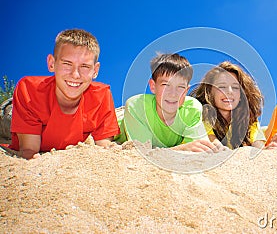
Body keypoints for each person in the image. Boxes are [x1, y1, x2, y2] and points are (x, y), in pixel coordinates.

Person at [8, 29, 120, 159]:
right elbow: (29, 151)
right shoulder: (29, 91)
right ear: (51, 63)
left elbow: (104, 145)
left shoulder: (102, 95)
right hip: (15, 112)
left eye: (84, 66)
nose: (75, 75)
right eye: (67, 64)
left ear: (95, 70)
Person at [116, 53, 220, 152]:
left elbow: (199, 147)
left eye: (180, 87)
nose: (173, 94)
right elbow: (142, 153)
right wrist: (182, 149)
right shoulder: (136, 107)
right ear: (153, 86)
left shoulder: (192, 109)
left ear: (186, 90)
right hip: (119, 127)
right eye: (165, 85)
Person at [190, 61, 277, 149]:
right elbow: (214, 143)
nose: (229, 92)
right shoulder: (201, 114)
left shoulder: (249, 119)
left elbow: (258, 146)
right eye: (222, 86)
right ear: (209, 91)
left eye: (235, 87)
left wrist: (275, 145)